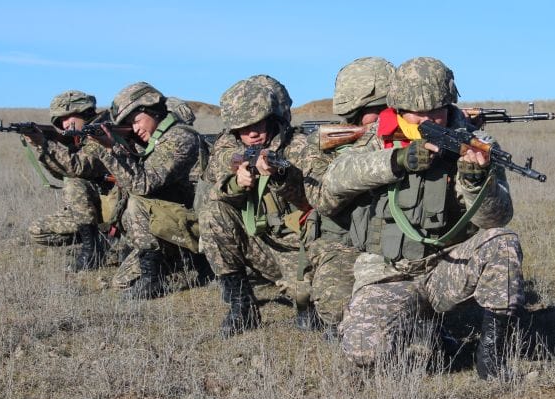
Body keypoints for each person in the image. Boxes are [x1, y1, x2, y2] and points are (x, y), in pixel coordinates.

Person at [314, 57, 524, 379]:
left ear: (449, 104)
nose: (429, 119)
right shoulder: (376, 138)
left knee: (502, 243)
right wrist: (397, 160)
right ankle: (425, 333)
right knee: (363, 351)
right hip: (389, 273)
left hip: (446, 266)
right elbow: (332, 187)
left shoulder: (477, 145)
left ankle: (491, 356)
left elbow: (496, 218)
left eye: (437, 111)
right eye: (417, 112)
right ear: (397, 108)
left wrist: (474, 180)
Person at [198, 75, 311, 338]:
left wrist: (280, 176)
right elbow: (219, 164)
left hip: (299, 248)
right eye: (242, 127)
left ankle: (307, 302)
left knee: (309, 298)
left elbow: (314, 200)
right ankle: (242, 306)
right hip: (260, 244)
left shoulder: (298, 146)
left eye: (257, 124)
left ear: (271, 118)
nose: (251, 133)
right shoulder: (232, 146)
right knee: (213, 211)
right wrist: (238, 181)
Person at [299, 57, 395, 336]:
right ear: (352, 114)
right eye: (375, 112)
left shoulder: (407, 137)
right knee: (337, 306)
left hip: (395, 245)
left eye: (390, 110)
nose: (383, 119)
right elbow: (323, 201)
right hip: (345, 242)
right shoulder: (323, 148)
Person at [90, 82, 207, 300]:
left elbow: (141, 184)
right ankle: (179, 261)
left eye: (135, 121)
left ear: (151, 110)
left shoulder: (180, 137)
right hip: (173, 222)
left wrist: (110, 149)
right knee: (122, 282)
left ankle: (158, 277)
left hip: (199, 225)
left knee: (138, 202)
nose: (135, 128)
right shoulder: (153, 141)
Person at [24, 90, 112, 271]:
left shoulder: (102, 130)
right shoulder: (79, 137)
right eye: (59, 122)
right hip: (94, 207)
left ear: (84, 111)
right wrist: (42, 148)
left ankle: (92, 250)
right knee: (38, 231)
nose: (64, 125)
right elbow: (60, 173)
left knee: (74, 182)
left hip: (118, 203)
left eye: (66, 117)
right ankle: (99, 240)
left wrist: (46, 144)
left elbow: (78, 168)